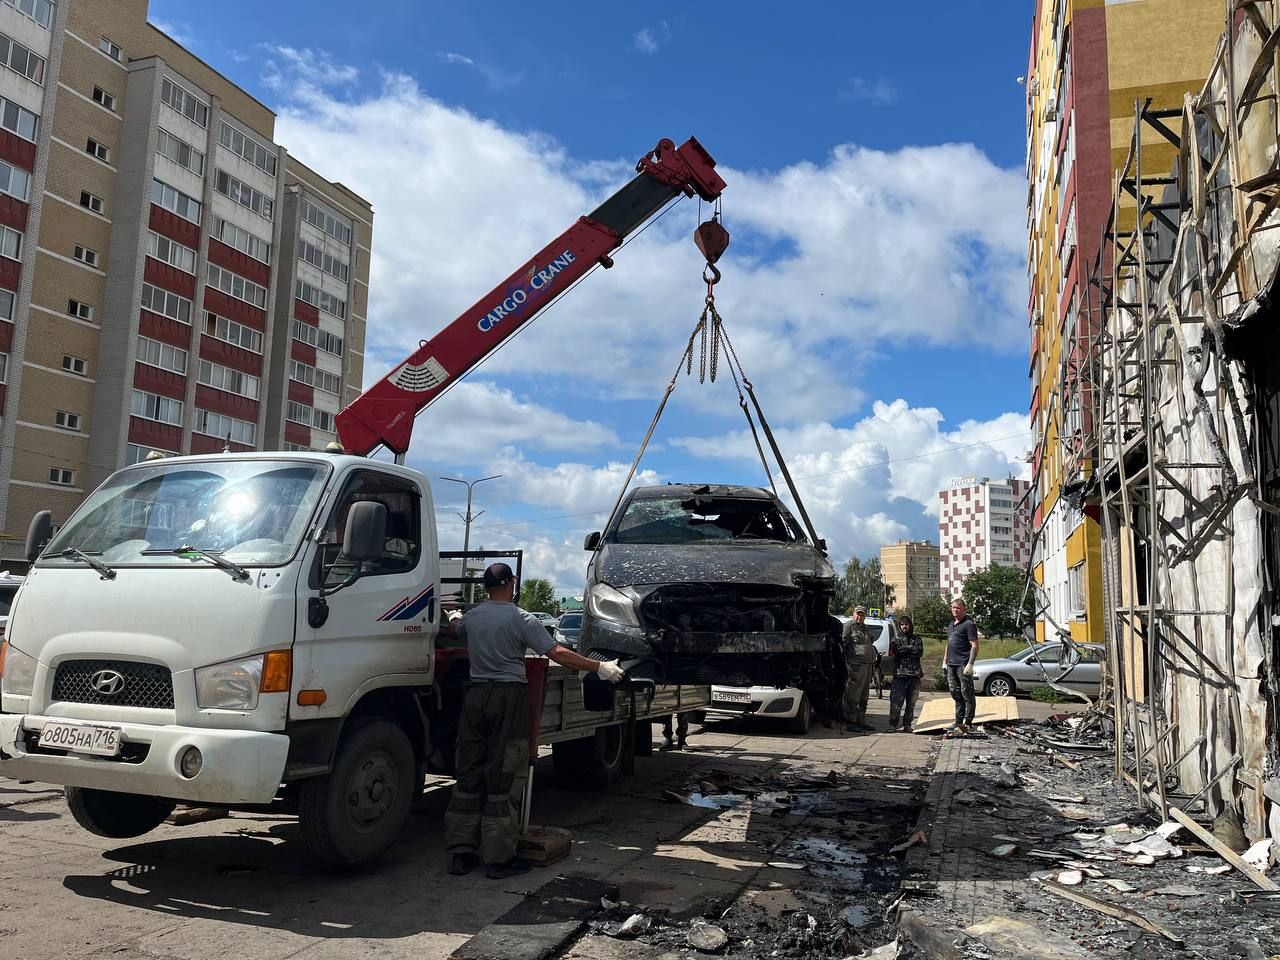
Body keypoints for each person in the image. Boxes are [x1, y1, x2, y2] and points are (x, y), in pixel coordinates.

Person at [444, 562, 625, 879]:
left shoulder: (473, 618)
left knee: (469, 771)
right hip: (507, 698)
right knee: (504, 772)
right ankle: (498, 859)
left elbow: (455, 628)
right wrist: (599, 668)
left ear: (486, 587)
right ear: (511, 584)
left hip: (474, 697)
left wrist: (455, 615)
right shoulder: (520, 618)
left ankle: (460, 853)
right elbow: (557, 654)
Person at [944, 598, 979, 736]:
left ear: (964, 609)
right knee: (955, 692)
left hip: (963, 664)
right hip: (951, 664)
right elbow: (949, 644)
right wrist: (944, 661)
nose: (955, 610)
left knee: (967, 693)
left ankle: (968, 722)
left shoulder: (969, 624)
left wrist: (970, 664)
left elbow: (975, 645)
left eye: (958, 608)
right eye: (953, 607)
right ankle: (958, 721)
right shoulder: (951, 624)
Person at [841, 605, 878, 732]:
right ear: (853, 614)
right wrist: (845, 664)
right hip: (855, 667)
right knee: (852, 696)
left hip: (867, 667)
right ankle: (850, 722)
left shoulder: (866, 628)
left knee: (864, 696)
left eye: (862, 614)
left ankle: (861, 720)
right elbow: (842, 645)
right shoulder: (848, 626)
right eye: (858, 614)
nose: (860, 616)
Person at [888, 615, 924, 732]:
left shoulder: (917, 639)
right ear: (899, 626)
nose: (904, 627)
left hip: (914, 675)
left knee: (911, 703)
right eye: (902, 625)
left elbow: (918, 652)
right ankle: (893, 725)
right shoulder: (895, 639)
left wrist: (906, 649)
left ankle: (907, 725)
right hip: (900, 674)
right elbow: (897, 652)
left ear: (910, 625)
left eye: (906, 624)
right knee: (896, 702)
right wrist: (909, 648)